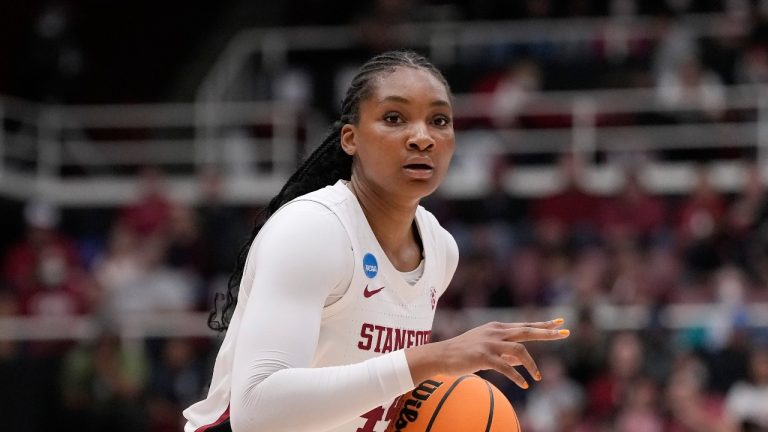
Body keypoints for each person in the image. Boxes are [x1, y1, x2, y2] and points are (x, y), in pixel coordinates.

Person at [183, 50, 570, 432]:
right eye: (394, 118)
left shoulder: (441, 248)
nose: (422, 138)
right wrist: (431, 358)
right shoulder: (313, 230)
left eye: (439, 120)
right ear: (350, 139)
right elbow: (257, 413)